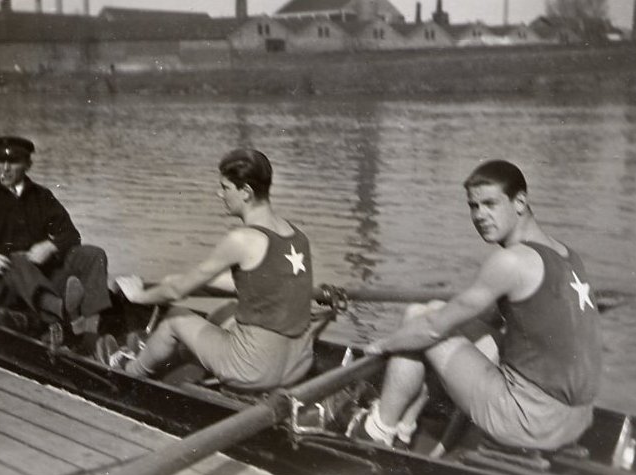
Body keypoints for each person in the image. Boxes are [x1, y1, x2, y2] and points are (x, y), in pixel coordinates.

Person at [357, 160, 601, 451]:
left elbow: (434, 328)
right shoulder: (568, 256)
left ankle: (379, 429)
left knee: (418, 317)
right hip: (577, 420)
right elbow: (490, 317)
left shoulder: (510, 261)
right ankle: (406, 428)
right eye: (474, 206)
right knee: (435, 314)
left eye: (490, 204)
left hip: (531, 422)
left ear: (520, 202)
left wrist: (383, 345)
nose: (480, 215)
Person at [109, 148, 314, 391]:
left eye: (225, 188)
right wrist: (194, 280)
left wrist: (138, 296)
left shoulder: (242, 239)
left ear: (246, 192)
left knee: (174, 317)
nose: (219, 194)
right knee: (224, 312)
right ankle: (188, 357)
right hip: (298, 365)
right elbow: (264, 283)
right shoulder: (296, 236)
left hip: (254, 371)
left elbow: (174, 292)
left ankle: (127, 372)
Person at [0, 135, 112, 345]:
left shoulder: (41, 197)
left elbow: (71, 235)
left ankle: (90, 331)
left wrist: (50, 246)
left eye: (13, 162)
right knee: (17, 260)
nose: (4, 168)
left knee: (93, 255)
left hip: (41, 277)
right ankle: (62, 311)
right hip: (2, 284)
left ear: (27, 165)